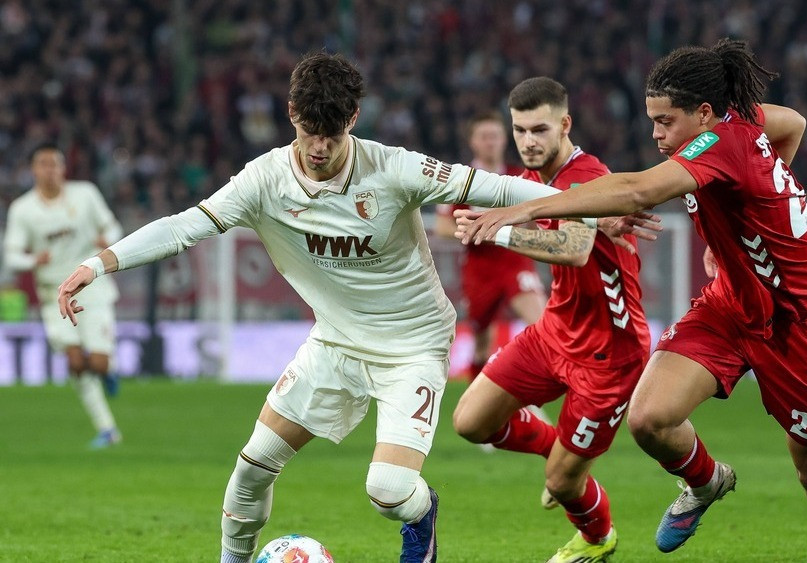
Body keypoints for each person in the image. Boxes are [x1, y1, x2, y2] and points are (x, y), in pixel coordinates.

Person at [55, 52, 654, 563]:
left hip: (413, 347)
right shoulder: (264, 179)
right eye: (309, 131)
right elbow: (185, 226)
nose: (319, 148)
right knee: (251, 470)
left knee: (390, 490)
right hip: (335, 343)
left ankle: (423, 517)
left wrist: (593, 206)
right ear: (292, 114)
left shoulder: (394, 168)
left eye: (332, 134)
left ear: (353, 120)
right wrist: (98, 263)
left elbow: (497, 187)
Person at [462, 39, 807, 563]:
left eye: (665, 121)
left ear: (705, 114)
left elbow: (637, 191)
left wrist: (523, 212)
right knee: (648, 419)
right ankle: (705, 483)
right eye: (652, 120)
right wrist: (737, 232)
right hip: (731, 304)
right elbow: (792, 124)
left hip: (804, 322)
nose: (655, 134)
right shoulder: (741, 123)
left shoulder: (722, 143)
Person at [451, 77, 650, 563]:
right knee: (470, 421)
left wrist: (496, 230)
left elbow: (574, 248)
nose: (528, 141)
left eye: (539, 130)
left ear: (565, 125)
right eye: (520, 130)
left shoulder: (585, 175)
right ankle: (556, 447)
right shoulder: (532, 177)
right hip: (555, 331)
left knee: (562, 483)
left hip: (609, 351)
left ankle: (597, 538)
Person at [3, 143, 123, 448]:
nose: (50, 170)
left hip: (93, 289)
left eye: (55, 164)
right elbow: (11, 255)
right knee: (75, 362)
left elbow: (113, 227)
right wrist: (33, 260)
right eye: (43, 164)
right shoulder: (23, 209)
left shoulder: (86, 194)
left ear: (63, 168)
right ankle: (108, 430)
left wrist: (107, 240)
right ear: (34, 170)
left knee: (98, 364)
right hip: (54, 294)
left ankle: (109, 370)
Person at [435, 111, 546, 381]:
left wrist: (530, 230)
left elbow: (539, 218)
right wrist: (475, 230)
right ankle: (477, 398)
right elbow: (442, 226)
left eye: (495, 136)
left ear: (504, 139)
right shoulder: (459, 179)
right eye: (484, 136)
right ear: (473, 142)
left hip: (515, 259)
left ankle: (537, 387)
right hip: (479, 268)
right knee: (482, 343)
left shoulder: (521, 177)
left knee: (543, 326)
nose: (490, 142)